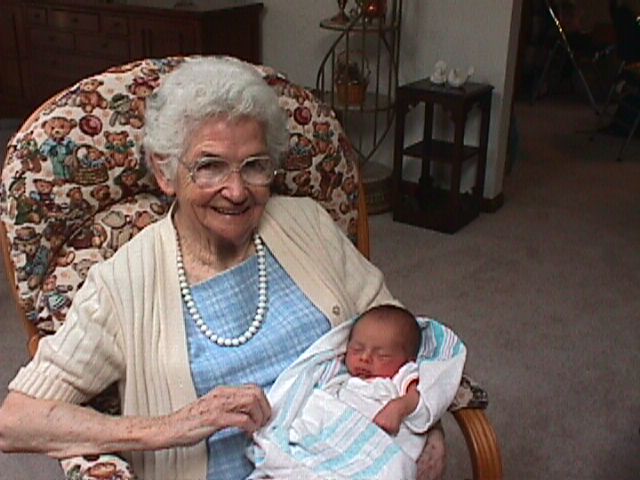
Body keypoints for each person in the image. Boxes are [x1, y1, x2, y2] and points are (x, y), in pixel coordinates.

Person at [0, 57, 445, 480]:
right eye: (210, 166)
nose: (236, 191)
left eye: (253, 166)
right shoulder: (122, 284)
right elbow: (15, 420)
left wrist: (423, 421)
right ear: (165, 171)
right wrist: (171, 427)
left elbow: (403, 332)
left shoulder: (305, 223)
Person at [247, 304, 465, 480]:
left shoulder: (402, 377)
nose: (365, 358)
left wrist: (397, 408)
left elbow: (420, 398)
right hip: (327, 437)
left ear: (406, 360)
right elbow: (305, 391)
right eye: (357, 349)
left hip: (371, 447)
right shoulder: (339, 374)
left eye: (383, 356)